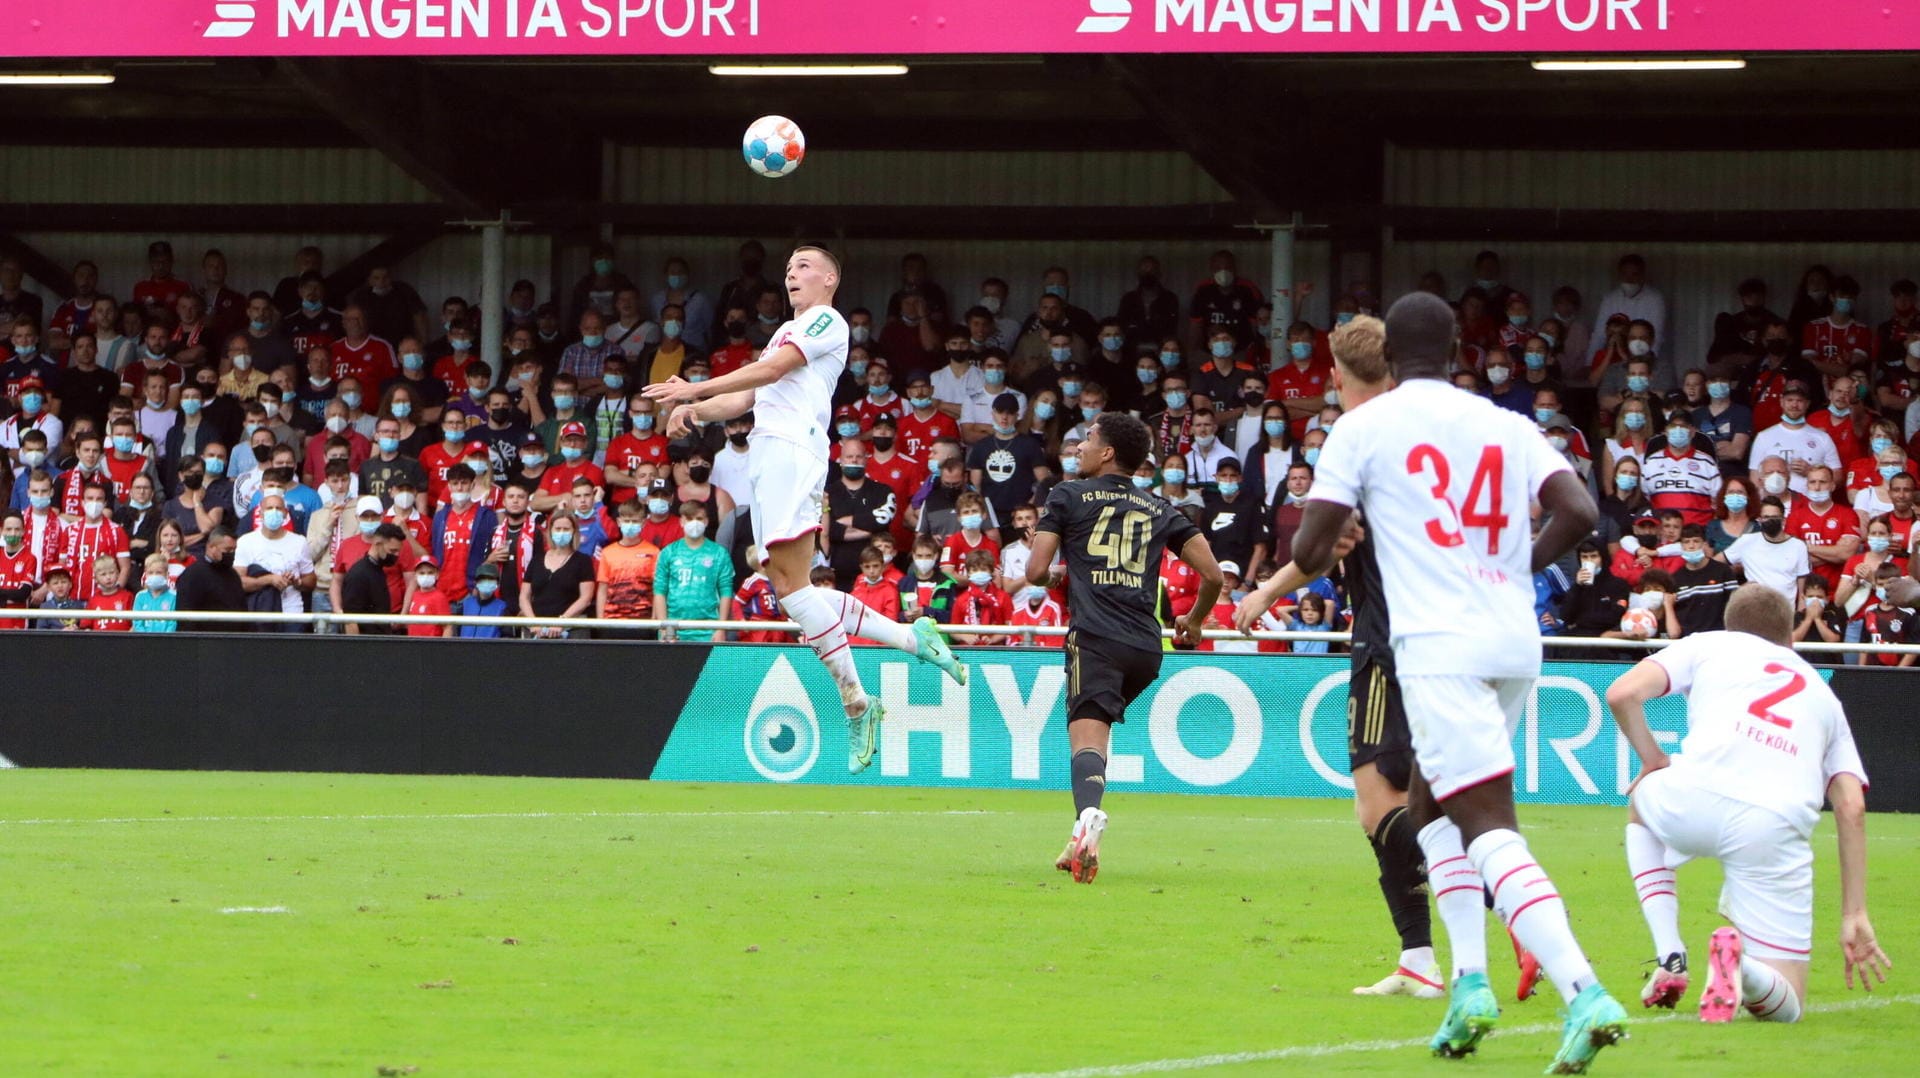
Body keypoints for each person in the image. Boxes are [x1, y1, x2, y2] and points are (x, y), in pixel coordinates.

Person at [1290, 292, 1626, 1070]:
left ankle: (1586, 990)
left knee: (1487, 825)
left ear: (1387, 355)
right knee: (1432, 809)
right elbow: (1579, 511)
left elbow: (1309, 551)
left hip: (1438, 646)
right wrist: (1511, 567)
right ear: (1454, 350)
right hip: (1513, 637)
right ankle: (1468, 986)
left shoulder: (1363, 427)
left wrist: (1330, 533)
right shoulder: (1507, 424)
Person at [644, 245, 966, 773]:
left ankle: (858, 700)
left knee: (793, 591)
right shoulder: (784, 331)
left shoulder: (825, 320)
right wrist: (694, 409)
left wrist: (695, 384)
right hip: (771, 452)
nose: (792, 275)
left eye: (805, 267)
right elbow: (747, 397)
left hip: (793, 450)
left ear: (830, 279)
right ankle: (912, 638)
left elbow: (772, 371)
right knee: (788, 583)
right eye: (790, 267)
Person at [1605, 584, 1888, 1023]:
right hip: (1772, 824)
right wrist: (1855, 912)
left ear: (1730, 624)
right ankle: (1741, 966)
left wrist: (1654, 761)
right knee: (1787, 1005)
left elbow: (1622, 693)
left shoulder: (1707, 644)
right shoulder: (1823, 694)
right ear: (1790, 637)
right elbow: (1851, 806)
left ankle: (1670, 953)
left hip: (1691, 794)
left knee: (1642, 800)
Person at [1025, 411, 1224, 883]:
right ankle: (1080, 825)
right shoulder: (1160, 507)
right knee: (1099, 733)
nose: (1080, 446)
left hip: (1095, 638)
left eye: (1088, 438)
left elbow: (1034, 574)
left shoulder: (1067, 495)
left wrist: (1054, 572)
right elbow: (1214, 575)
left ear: (1108, 452)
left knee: (1086, 737)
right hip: (1145, 648)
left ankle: (1087, 818)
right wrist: (1193, 622)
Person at [235, 493, 315, 629]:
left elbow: (311, 580)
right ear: (260, 513)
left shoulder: (299, 541)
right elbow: (238, 582)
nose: (274, 512)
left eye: (278, 508)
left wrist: (297, 582)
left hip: (292, 613)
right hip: (259, 614)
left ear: (285, 513)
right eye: (269, 508)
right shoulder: (246, 541)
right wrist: (269, 580)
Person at [656, 502, 734, 642]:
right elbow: (660, 590)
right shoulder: (668, 552)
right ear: (682, 521)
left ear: (706, 521)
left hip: (709, 631)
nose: (694, 523)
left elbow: (726, 591)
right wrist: (663, 627)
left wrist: (721, 628)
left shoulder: (719, 553)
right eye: (690, 519)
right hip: (674, 630)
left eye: (699, 519)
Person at [520, 511, 596, 636]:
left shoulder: (583, 561)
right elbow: (524, 596)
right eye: (558, 528)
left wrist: (562, 622)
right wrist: (533, 622)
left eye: (566, 529)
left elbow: (585, 598)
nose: (561, 532)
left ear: (574, 532)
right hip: (536, 631)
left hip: (571, 630)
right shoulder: (537, 559)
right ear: (550, 531)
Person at [594, 499, 662, 637]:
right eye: (627, 521)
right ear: (619, 522)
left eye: (635, 521)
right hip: (612, 622)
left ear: (643, 523)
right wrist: (600, 621)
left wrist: (655, 620)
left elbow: (657, 590)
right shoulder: (607, 552)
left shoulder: (654, 552)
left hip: (643, 621)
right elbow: (603, 589)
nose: (630, 525)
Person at [1726, 497, 1810, 607]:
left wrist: (1801, 608)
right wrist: (1738, 589)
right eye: (1766, 517)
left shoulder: (1798, 546)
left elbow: (1802, 583)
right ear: (1760, 519)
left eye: (1775, 517)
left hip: (1785, 614)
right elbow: (1716, 564)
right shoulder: (1746, 541)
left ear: (1783, 519)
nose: (1770, 521)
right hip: (1753, 612)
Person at [172, 526, 246, 628]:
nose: (231, 554)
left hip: (233, 639)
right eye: (227, 550)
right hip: (204, 639)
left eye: (234, 550)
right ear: (211, 547)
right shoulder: (193, 575)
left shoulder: (232, 575)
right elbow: (185, 615)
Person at [131, 552, 177, 632]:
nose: (154, 576)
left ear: (167, 574)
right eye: (150, 573)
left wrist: (164, 639)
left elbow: (172, 623)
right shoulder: (140, 596)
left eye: (159, 572)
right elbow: (137, 622)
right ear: (145, 574)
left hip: (166, 641)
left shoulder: (174, 596)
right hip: (144, 641)